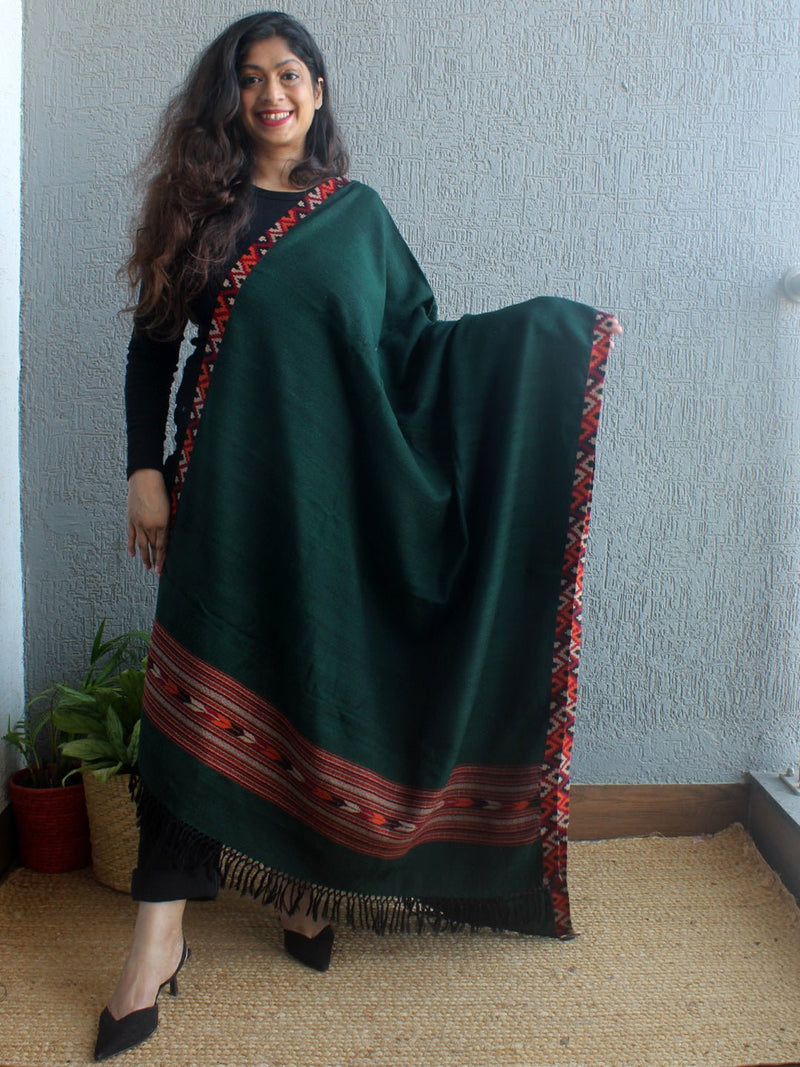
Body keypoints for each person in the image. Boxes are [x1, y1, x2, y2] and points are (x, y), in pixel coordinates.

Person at [98, 10, 622, 1061]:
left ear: (319, 90)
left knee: (314, 683)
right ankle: (156, 941)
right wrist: (142, 471)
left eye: (289, 75)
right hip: (222, 494)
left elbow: (416, 354)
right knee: (192, 702)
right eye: (251, 78)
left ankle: (303, 888)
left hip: (331, 504)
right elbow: (154, 346)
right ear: (229, 99)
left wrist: (545, 343)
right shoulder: (200, 207)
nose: (271, 95)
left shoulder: (357, 217)